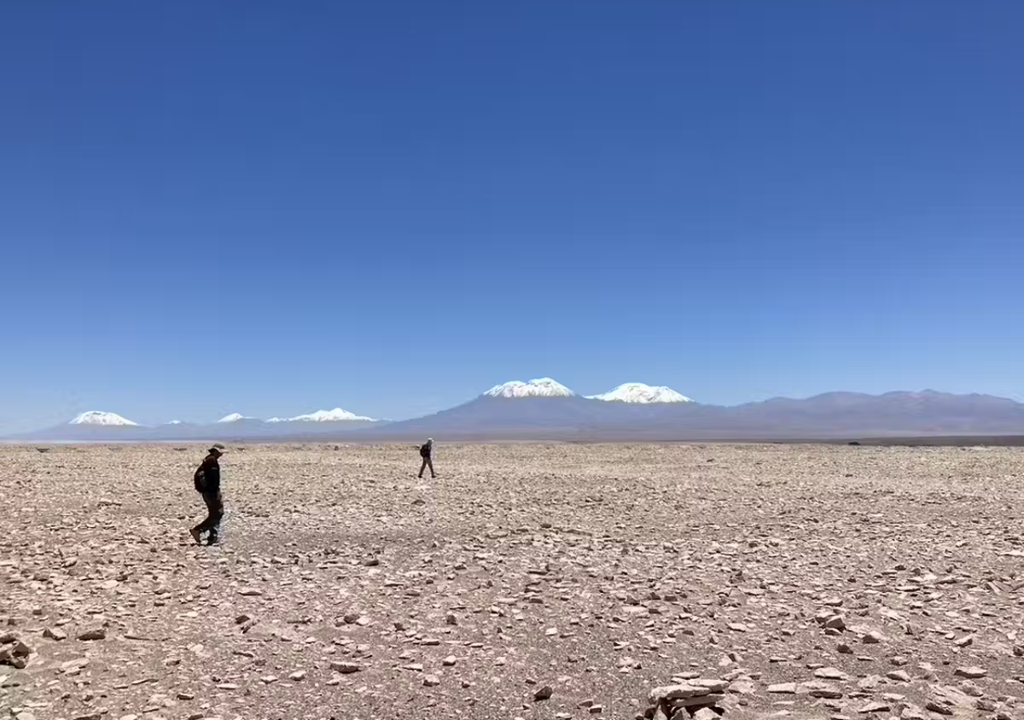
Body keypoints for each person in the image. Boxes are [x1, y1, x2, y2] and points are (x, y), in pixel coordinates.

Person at [190, 445, 225, 545]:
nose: (221, 454)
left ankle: (212, 536)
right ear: (215, 451)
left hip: (208, 491)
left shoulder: (208, 460)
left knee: (214, 513)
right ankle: (199, 530)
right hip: (211, 492)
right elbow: (213, 480)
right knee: (218, 513)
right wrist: (215, 491)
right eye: (220, 452)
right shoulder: (212, 461)